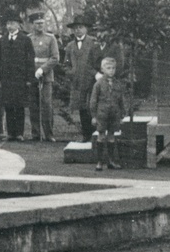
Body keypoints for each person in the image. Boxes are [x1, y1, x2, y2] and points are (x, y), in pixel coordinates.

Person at [64, 15, 103, 143]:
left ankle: (95, 135)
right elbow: (66, 64)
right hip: (77, 82)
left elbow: (98, 62)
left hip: (91, 81)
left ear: (86, 29)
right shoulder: (70, 46)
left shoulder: (94, 43)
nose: (78, 30)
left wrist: (96, 74)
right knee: (81, 108)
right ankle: (86, 136)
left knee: (91, 107)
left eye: (80, 27)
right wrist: (71, 73)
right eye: (75, 28)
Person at [0, 15, 35, 141]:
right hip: (6, 79)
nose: (9, 26)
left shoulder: (25, 40)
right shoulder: (2, 40)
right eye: (8, 23)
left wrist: (29, 78)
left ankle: (19, 133)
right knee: (8, 105)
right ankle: (10, 133)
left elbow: (30, 60)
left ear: (18, 25)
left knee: (19, 106)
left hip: (20, 78)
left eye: (12, 23)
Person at [27, 13, 59, 142]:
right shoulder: (28, 38)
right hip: (32, 75)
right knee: (33, 105)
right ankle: (35, 133)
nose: (40, 25)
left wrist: (42, 69)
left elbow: (55, 58)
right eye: (37, 23)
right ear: (32, 25)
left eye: (42, 23)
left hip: (45, 77)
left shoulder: (50, 38)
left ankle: (49, 134)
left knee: (46, 104)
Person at [89, 57, 125, 171]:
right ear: (102, 69)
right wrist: (94, 116)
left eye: (113, 68)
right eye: (108, 68)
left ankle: (110, 161)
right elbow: (93, 101)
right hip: (102, 114)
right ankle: (99, 162)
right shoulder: (98, 84)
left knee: (111, 137)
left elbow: (121, 101)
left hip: (114, 114)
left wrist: (122, 115)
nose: (111, 70)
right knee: (101, 136)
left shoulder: (118, 84)